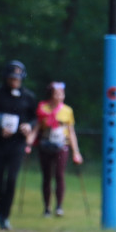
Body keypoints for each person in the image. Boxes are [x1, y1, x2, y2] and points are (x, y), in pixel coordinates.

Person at [0, 60, 37, 230]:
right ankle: (0, 205)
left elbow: (34, 118)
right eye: (12, 78)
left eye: (17, 79)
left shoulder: (28, 96)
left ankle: (4, 215)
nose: (15, 81)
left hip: (17, 144)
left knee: (11, 179)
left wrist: (29, 126)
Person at [28, 81, 83, 217]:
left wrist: (76, 152)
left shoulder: (67, 111)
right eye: (57, 94)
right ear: (51, 95)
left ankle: (59, 206)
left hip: (61, 146)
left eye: (62, 94)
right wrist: (28, 144)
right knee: (47, 177)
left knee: (59, 175)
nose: (60, 96)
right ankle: (47, 207)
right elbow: (37, 128)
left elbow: (71, 132)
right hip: (45, 145)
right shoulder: (43, 109)